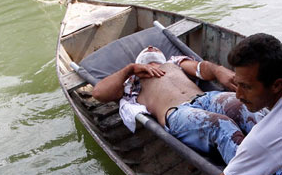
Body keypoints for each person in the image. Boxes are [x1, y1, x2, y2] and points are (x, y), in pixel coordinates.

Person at [92, 46, 267, 166]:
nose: (151, 46)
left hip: (206, 98)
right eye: (147, 49)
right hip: (178, 113)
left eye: (155, 48)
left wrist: (217, 70)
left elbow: (201, 68)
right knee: (221, 125)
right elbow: (99, 93)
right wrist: (130, 69)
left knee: (243, 107)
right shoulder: (132, 82)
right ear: (139, 61)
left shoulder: (174, 62)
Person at [206, 34, 282, 175]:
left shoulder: (266, 135)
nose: (238, 95)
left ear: (276, 85)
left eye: (247, 87)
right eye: (237, 84)